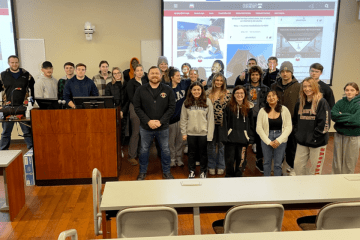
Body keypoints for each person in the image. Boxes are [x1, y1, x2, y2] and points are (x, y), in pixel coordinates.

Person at [133, 66, 175, 180]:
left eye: (157, 73)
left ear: (161, 75)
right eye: (152, 73)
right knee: (144, 149)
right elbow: (137, 107)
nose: (155, 75)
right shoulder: (140, 90)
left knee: (165, 150)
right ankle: (142, 172)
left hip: (163, 127)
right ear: (148, 75)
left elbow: (171, 108)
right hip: (146, 127)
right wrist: (148, 121)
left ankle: (166, 172)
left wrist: (161, 122)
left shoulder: (168, 90)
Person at [293, 77, 331, 175]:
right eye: (305, 86)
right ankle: (302, 187)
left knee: (315, 171)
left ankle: (314, 189)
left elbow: (325, 124)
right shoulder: (299, 103)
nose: (307, 88)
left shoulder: (322, 102)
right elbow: (295, 122)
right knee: (298, 167)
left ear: (315, 87)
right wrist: (298, 135)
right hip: (302, 142)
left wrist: (314, 137)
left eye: (310, 86)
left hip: (317, 142)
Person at [271, 61, 300, 176]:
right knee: (278, 145)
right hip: (277, 122)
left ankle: (292, 167)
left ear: (291, 73)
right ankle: (278, 165)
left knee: (292, 146)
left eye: (288, 71)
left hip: (292, 123)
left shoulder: (298, 86)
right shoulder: (274, 86)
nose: (285, 74)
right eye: (282, 71)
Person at [0, 55, 34, 150]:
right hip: (8, 108)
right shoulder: (2, 75)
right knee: (6, 132)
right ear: (8, 63)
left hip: (23, 107)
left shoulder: (26, 74)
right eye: (12, 62)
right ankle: (3, 151)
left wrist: (32, 103)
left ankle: (31, 150)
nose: (14, 64)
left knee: (27, 131)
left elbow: (33, 89)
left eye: (16, 62)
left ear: (18, 62)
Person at [180, 82, 214, 178]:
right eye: (194, 89)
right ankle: (191, 171)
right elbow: (183, 119)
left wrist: (209, 135)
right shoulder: (186, 102)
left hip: (203, 134)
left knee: (203, 154)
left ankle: (203, 171)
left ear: (202, 91)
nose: (196, 91)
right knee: (191, 154)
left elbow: (210, 119)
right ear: (191, 91)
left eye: (198, 89)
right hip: (191, 133)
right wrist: (184, 132)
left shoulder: (207, 102)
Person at [256, 91, 292, 176]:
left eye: (273, 95)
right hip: (266, 137)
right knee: (266, 162)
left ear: (278, 98)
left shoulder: (284, 109)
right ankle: (267, 182)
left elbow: (288, 127)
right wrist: (269, 142)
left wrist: (279, 140)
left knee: (278, 164)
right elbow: (259, 128)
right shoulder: (262, 110)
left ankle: (277, 184)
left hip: (281, 138)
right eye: (268, 96)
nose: (271, 98)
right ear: (266, 99)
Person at [221, 86, 255, 177]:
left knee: (241, 161)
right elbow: (224, 123)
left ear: (245, 95)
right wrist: (225, 137)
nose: (239, 95)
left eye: (242, 93)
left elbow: (252, 124)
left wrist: (251, 138)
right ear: (234, 95)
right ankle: (228, 177)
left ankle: (238, 178)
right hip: (230, 140)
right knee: (229, 160)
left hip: (243, 140)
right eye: (237, 93)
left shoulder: (249, 108)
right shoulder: (228, 107)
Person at [243, 65, 270, 173]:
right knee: (245, 140)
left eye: (257, 75)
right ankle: (242, 161)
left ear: (260, 76)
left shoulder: (265, 88)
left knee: (260, 141)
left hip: (260, 118)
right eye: (253, 75)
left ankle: (259, 161)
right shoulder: (244, 88)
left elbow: (268, 103)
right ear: (250, 76)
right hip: (247, 117)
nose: (255, 77)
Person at [331, 82, 360, 174]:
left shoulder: (358, 104)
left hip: (353, 136)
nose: (349, 92)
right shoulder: (340, 102)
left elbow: (356, 120)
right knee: (337, 160)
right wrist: (349, 117)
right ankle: (335, 180)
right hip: (339, 135)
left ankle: (347, 181)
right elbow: (333, 115)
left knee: (350, 160)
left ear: (357, 92)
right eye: (347, 90)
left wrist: (341, 116)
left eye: (352, 90)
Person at [206, 72, 231, 175]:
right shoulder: (207, 93)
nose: (219, 82)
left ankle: (221, 165)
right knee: (211, 145)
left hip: (222, 123)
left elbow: (230, 110)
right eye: (217, 80)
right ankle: (211, 165)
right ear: (213, 81)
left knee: (221, 145)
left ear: (224, 82)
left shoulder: (227, 93)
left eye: (221, 80)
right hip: (209, 123)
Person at [169, 67, 192, 167]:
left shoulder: (183, 83)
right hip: (171, 120)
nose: (179, 77)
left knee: (180, 141)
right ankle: (172, 159)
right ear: (171, 77)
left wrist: (203, 81)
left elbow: (193, 78)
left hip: (181, 119)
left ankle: (179, 158)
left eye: (180, 75)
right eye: (177, 76)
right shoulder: (167, 88)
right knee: (171, 142)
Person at [126, 64, 148, 166]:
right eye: (137, 70)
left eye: (141, 70)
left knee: (143, 133)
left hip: (145, 109)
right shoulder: (131, 83)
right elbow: (131, 97)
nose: (139, 72)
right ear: (134, 72)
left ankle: (141, 154)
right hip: (135, 108)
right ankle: (132, 156)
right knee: (136, 132)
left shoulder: (145, 82)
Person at [105, 67, 129, 151]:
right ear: (112, 75)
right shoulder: (109, 85)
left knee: (122, 131)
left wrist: (122, 111)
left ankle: (120, 148)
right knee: (112, 131)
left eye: (118, 72)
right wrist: (116, 111)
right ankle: (113, 148)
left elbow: (128, 100)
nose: (117, 75)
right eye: (115, 73)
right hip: (113, 111)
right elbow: (108, 99)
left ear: (121, 73)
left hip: (123, 112)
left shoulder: (126, 84)